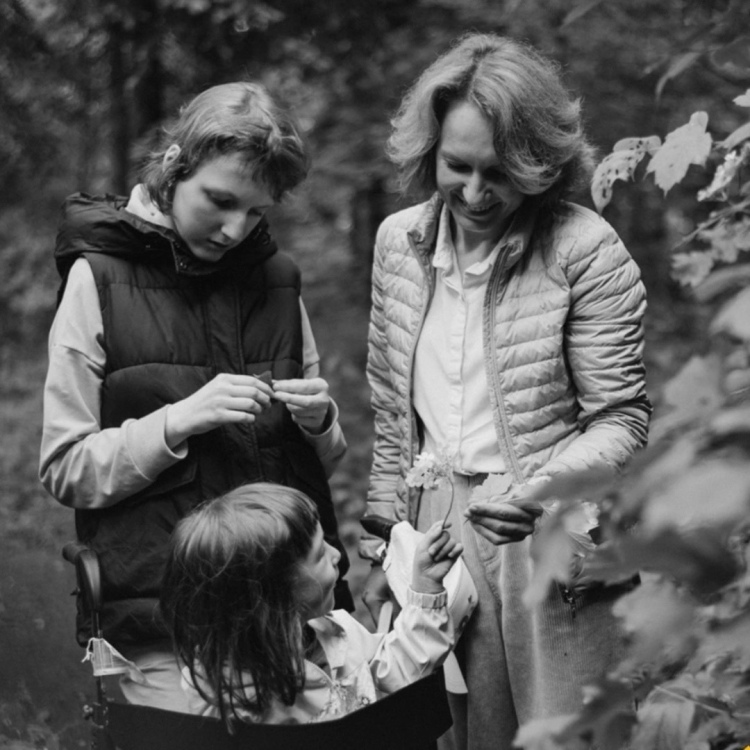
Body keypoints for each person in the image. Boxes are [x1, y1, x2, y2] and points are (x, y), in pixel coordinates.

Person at [360, 33, 651, 750]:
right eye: (457, 166)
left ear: (539, 164)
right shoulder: (398, 244)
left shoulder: (584, 249)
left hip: (545, 525)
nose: (474, 193)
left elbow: (621, 418)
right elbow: (394, 417)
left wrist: (541, 493)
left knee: (569, 731)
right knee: (457, 731)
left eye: (500, 172)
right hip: (435, 525)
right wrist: (382, 546)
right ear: (429, 152)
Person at [39, 81, 352, 712]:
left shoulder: (278, 282)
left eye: (256, 213)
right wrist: (177, 422)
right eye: (221, 201)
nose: (236, 230)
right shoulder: (97, 279)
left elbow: (325, 459)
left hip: (289, 619)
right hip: (163, 625)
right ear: (175, 166)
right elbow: (65, 468)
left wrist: (321, 422)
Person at [159, 482, 462, 726]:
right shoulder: (224, 696)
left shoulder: (336, 633)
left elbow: (396, 669)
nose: (337, 555)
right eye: (319, 554)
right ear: (274, 595)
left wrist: (425, 590)